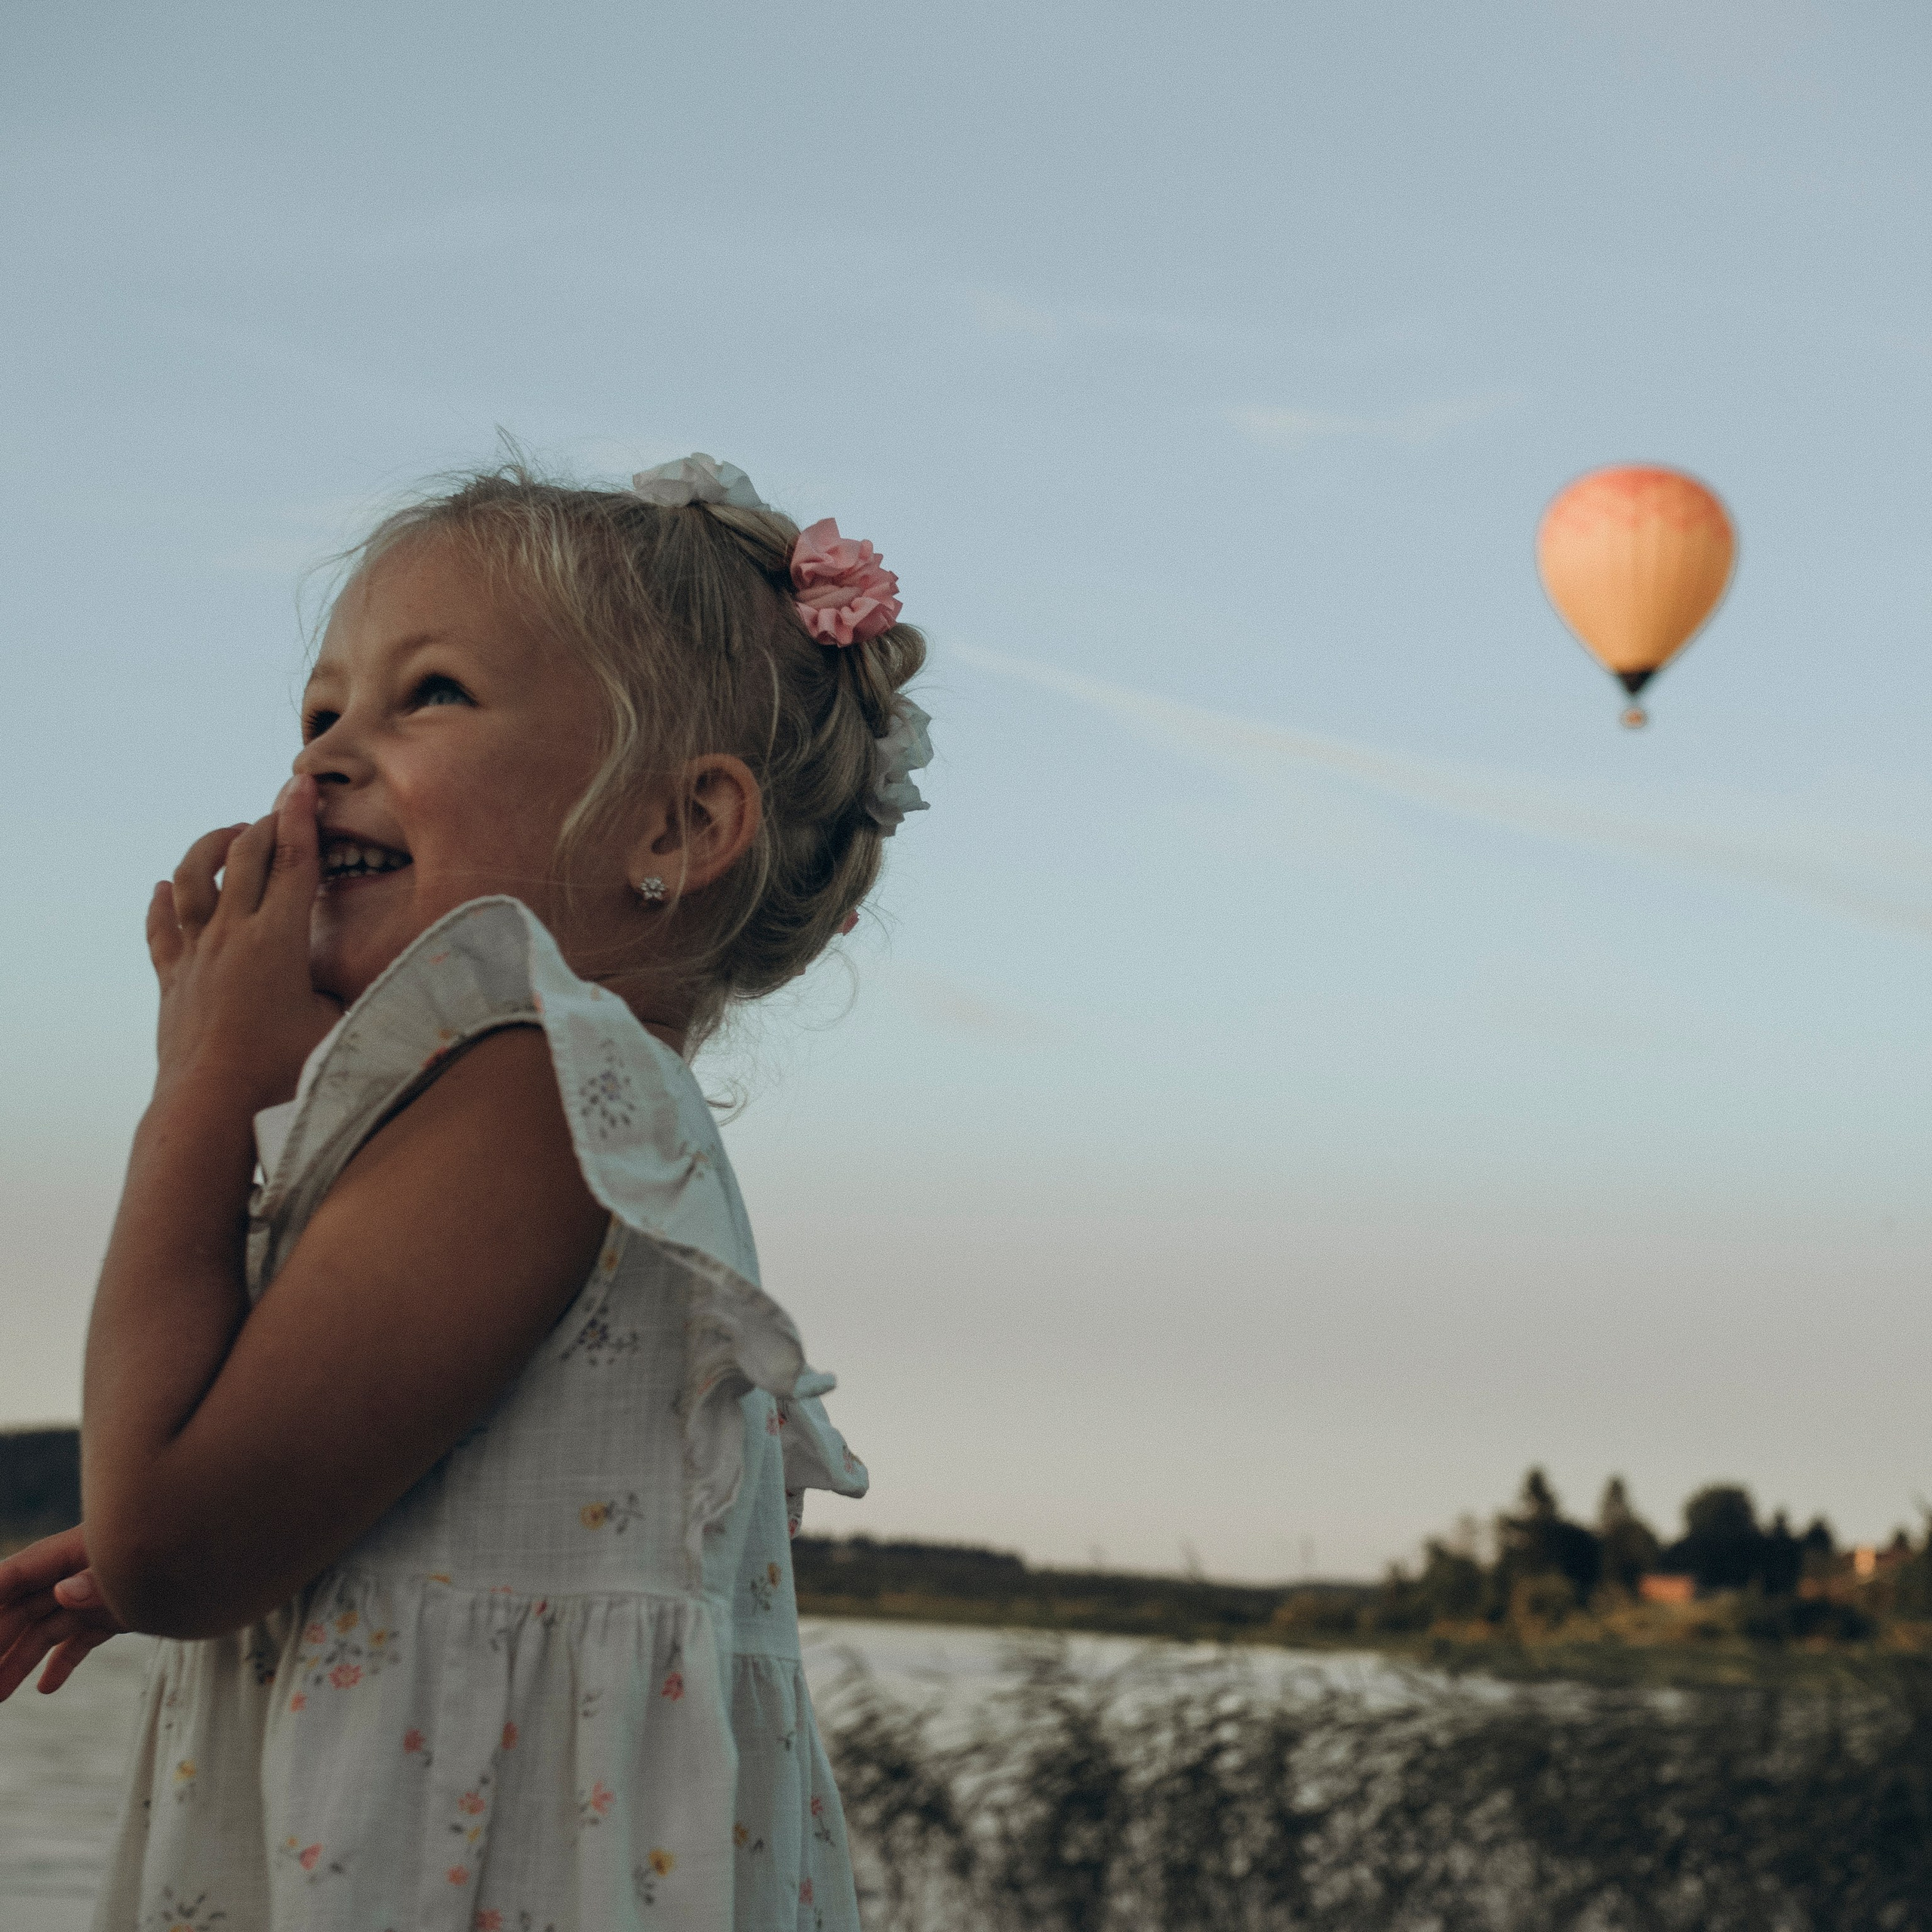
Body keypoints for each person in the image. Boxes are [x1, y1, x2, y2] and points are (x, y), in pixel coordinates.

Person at [0, 451, 932, 1930]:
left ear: (674, 827)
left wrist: (200, 1088)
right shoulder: (573, 1115)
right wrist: (305, 1534)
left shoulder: (534, 1092)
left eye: (426, 694)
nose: (323, 757)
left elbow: (167, 1534)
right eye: (320, 710)